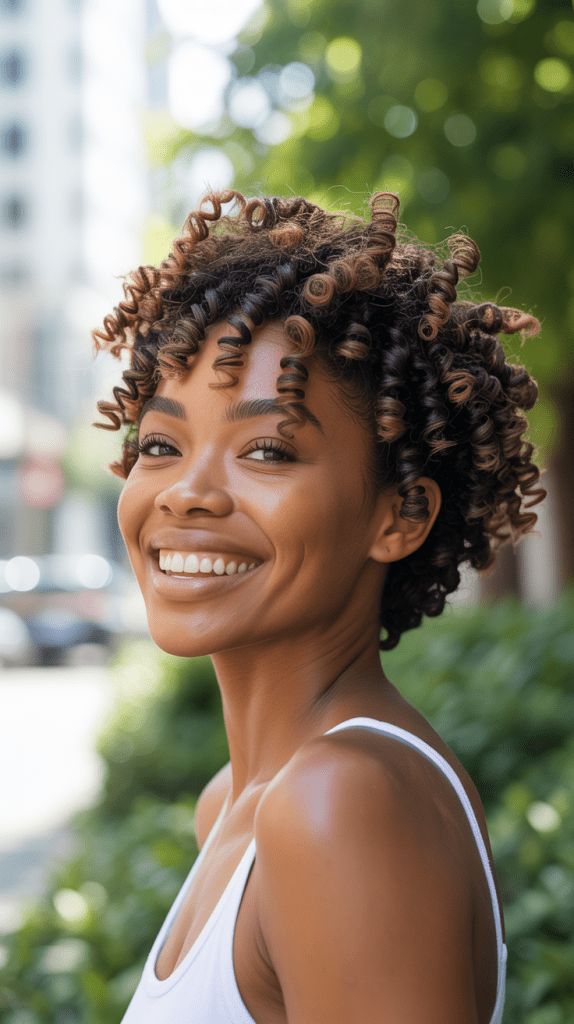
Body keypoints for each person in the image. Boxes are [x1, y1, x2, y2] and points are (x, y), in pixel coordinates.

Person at [93, 189, 546, 1024]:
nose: (187, 492)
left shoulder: (339, 803)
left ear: (400, 516)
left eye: (267, 450)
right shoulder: (237, 802)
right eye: (161, 444)